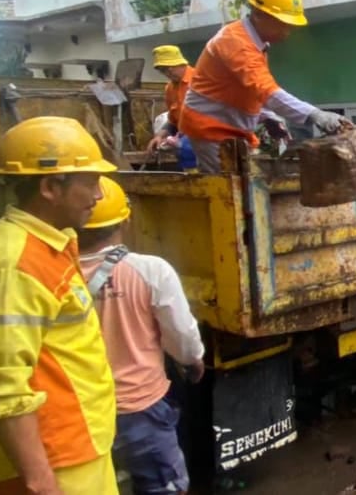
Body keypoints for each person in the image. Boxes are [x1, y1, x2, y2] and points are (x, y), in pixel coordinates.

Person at [0, 117, 119, 495]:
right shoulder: (15, 264)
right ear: (49, 187)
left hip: (79, 446)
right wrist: (41, 482)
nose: (98, 195)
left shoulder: (50, 244)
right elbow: (4, 386)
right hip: (57, 464)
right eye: (91, 183)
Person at [77, 176, 205, 495]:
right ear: (126, 218)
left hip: (80, 413)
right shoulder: (150, 270)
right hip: (140, 408)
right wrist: (193, 361)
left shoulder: (57, 275)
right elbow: (183, 337)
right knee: (164, 488)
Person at [178, 0, 352, 172]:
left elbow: (248, 90)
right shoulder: (237, 44)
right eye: (282, 22)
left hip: (231, 130)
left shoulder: (254, 43)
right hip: (210, 129)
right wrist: (315, 115)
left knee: (249, 185)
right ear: (259, 14)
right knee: (234, 193)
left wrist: (267, 116)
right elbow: (267, 91)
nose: (288, 30)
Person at [146, 45, 198, 169]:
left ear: (181, 63)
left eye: (170, 68)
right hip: (185, 143)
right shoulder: (170, 89)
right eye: (163, 70)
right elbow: (173, 120)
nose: (168, 73)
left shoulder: (200, 80)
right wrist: (159, 136)